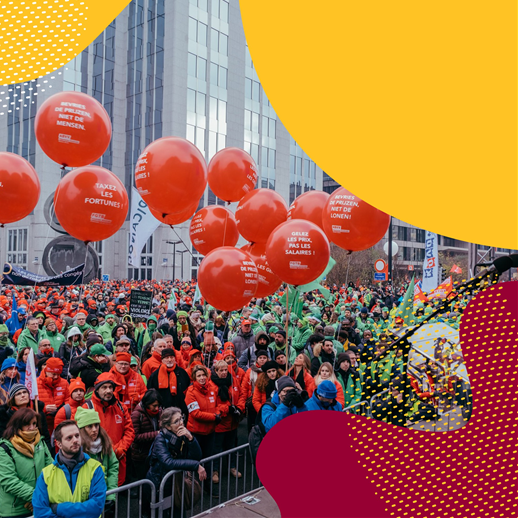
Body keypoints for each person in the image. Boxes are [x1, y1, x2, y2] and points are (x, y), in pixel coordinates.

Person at [32, 419, 107, 518]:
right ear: (59, 444)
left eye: (77, 435)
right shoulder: (46, 475)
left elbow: (96, 507)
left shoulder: (95, 468)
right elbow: (40, 512)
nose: (75, 440)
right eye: (69, 438)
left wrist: (58, 508)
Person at [147, 407, 206, 499]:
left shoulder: (183, 434)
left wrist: (191, 439)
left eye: (181, 418)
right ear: (168, 426)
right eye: (176, 421)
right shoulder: (160, 439)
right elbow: (168, 462)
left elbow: (196, 456)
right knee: (162, 506)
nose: (181, 422)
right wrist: (195, 465)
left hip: (176, 480)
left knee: (178, 504)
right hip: (160, 481)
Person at [185, 364, 229, 479]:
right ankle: (194, 485)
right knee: (196, 460)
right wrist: (214, 417)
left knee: (208, 459)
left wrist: (218, 412)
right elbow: (195, 413)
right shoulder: (190, 392)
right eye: (199, 376)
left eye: (203, 375)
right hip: (196, 432)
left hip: (210, 431)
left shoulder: (212, 389)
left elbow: (218, 405)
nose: (202, 378)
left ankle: (207, 483)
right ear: (194, 378)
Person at [90, 373, 135, 486]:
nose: (108, 390)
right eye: (104, 387)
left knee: (116, 488)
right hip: (96, 459)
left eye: (111, 387)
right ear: (97, 389)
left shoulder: (121, 407)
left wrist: (120, 449)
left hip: (118, 458)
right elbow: (82, 434)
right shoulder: (88, 408)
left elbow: (129, 431)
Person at [75, 407, 119, 514]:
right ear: (82, 429)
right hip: (86, 501)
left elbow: (113, 468)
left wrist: (111, 495)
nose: (94, 429)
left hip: (105, 495)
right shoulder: (76, 449)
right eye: (90, 426)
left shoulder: (105, 443)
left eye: (96, 425)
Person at [211, 360, 244, 481]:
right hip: (220, 423)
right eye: (221, 370)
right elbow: (212, 405)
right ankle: (215, 470)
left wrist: (239, 408)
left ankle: (232, 467)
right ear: (216, 371)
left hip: (232, 422)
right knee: (217, 448)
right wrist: (227, 409)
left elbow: (241, 395)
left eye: (226, 370)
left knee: (231, 446)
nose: (224, 372)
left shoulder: (233, 380)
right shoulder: (211, 384)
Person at [0, 385, 51, 452]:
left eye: (25, 392)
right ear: (13, 398)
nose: (23, 395)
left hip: (38, 449)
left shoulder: (38, 412)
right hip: (16, 450)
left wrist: (48, 452)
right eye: (18, 394)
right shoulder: (5, 416)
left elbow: (45, 436)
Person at [130, 389, 162, 485]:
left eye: (158, 405)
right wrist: (156, 434)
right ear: (147, 404)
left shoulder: (159, 412)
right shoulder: (137, 415)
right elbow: (135, 437)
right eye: (154, 406)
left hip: (154, 453)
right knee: (143, 482)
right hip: (141, 455)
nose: (157, 408)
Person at [147, 348, 191, 413]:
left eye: (171, 357)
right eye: (167, 358)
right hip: (162, 411)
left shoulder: (182, 373)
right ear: (162, 359)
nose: (169, 360)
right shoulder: (155, 375)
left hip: (181, 410)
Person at [238, 349, 269, 434]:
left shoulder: (270, 371)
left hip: (266, 403)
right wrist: (242, 405)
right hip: (252, 403)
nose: (262, 360)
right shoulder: (250, 371)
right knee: (252, 428)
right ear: (257, 359)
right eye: (260, 358)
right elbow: (244, 389)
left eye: (264, 358)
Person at [36, 358, 70, 434]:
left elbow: (69, 400)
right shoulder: (35, 384)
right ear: (46, 370)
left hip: (60, 422)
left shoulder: (64, 383)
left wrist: (61, 410)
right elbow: (31, 405)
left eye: (58, 374)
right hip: (42, 424)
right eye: (53, 374)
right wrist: (44, 409)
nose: (56, 377)